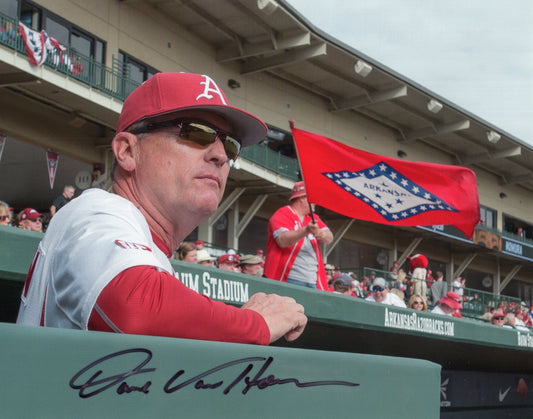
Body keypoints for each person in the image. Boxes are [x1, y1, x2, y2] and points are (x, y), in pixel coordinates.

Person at [17, 72, 307, 346]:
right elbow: (134, 307)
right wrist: (255, 323)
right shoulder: (95, 209)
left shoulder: (147, 248)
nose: (220, 155)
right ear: (128, 151)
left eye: (230, 145)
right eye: (197, 132)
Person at [264, 181, 333, 290]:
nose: (315, 203)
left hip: (313, 280)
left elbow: (329, 237)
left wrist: (321, 233)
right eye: (312, 199)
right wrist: (306, 230)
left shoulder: (312, 217)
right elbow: (282, 240)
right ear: (302, 198)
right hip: (289, 279)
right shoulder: (283, 213)